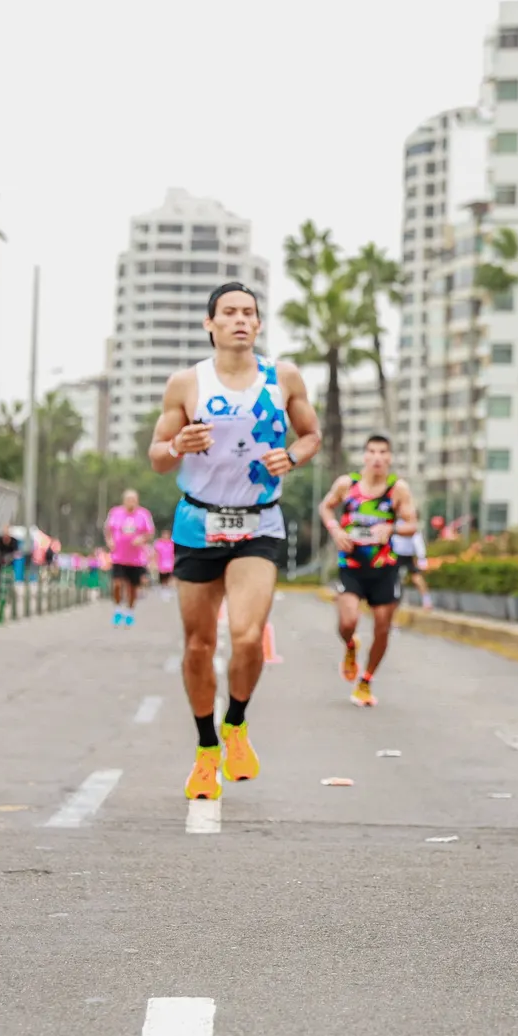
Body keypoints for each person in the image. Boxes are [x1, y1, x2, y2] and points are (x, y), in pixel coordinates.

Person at [149, 282, 320, 801]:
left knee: (248, 637)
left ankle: (237, 725)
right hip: (198, 523)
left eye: (249, 312)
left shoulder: (282, 377)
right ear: (211, 323)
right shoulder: (187, 383)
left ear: (259, 324)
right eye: (229, 312)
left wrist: (291, 457)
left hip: (258, 522)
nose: (240, 320)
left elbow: (311, 434)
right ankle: (206, 751)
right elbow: (157, 455)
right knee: (199, 645)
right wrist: (178, 443)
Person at [320, 434, 418, 707]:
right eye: (372, 451)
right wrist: (336, 530)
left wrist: (392, 528)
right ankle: (351, 646)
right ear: (364, 456)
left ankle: (366, 680)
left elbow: (412, 524)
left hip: (384, 567)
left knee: (382, 628)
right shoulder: (347, 484)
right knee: (348, 621)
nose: (377, 457)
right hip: (351, 565)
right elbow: (326, 508)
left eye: (383, 452)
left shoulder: (397, 489)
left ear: (389, 457)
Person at [154, 530, 176, 600]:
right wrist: (154, 563)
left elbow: (174, 554)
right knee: (163, 578)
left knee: (169, 578)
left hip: (170, 564)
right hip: (161, 564)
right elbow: (156, 554)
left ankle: (167, 590)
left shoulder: (172, 544)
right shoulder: (159, 544)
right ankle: (163, 590)